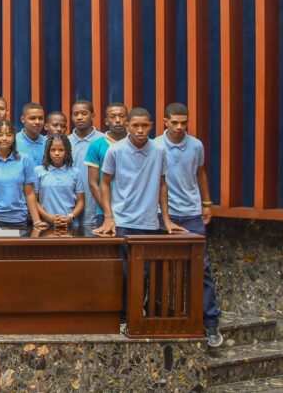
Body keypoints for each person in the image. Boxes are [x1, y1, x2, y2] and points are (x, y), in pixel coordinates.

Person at [155, 102, 223, 346]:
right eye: (174, 122)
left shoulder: (196, 145)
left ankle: (211, 323)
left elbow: (200, 172)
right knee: (160, 269)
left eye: (184, 122)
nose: (179, 127)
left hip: (192, 213)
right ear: (165, 122)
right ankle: (161, 319)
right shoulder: (155, 146)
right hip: (164, 214)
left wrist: (206, 202)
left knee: (201, 268)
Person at [94, 108, 186, 237]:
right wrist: (108, 217)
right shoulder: (115, 150)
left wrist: (166, 220)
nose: (140, 130)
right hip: (121, 222)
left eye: (145, 125)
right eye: (135, 125)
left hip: (150, 222)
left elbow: (162, 184)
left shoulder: (159, 150)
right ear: (127, 126)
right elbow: (104, 183)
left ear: (151, 126)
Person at [0, 121, 42, 229]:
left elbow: (29, 193)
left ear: (14, 138)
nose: (4, 138)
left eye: (9, 135)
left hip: (18, 220)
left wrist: (37, 221)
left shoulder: (25, 160)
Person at [84, 103, 129, 228]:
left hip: (133, 212)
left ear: (128, 119)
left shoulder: (136, 143)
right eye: (113, 116)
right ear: (106, 120)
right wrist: (108, 210)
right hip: (104, 212)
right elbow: (93, 183)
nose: (118, 120)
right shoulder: (96, 145)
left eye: (122, 116)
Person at [34, 134, 85, 229]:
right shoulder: (38, 171)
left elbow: (81, 201)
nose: (57, 153)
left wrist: (70, 217)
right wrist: (49, 218)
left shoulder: (75, 172)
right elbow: (34, 201)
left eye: (61, 150)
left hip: (70, 226)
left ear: (67, 151)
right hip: (46, 225)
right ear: (47, 151)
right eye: (53, 150)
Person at [68, 100, 103, 219]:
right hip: (69, 209)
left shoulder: (103, 140)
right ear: (71, 117)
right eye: (75, 114)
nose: (79, 117)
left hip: (98, 209)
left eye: (84, 113)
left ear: (92, 116)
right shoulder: (64, 143)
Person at [15, 103, 47, 167]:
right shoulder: (13, 142)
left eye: (40, 118)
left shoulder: (48, 143)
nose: (37, 122)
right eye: (32, 118)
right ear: (23, 119)